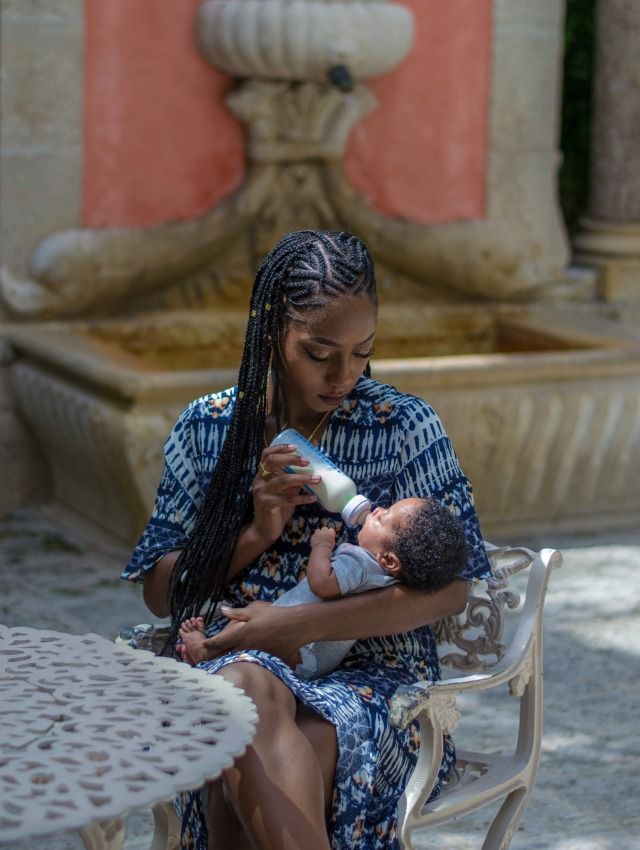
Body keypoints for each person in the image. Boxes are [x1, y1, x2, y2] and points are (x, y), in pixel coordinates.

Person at [121, 229, 491, 850]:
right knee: (243, 693)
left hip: (375, 679)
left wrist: (289, 628)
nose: (343, 375)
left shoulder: (402, 426)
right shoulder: (208, 431)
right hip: (230, 659)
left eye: (362, 352)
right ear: (272, 334)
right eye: (320, 353)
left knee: (239, 765)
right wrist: (253, 532)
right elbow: (161, 594)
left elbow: (450, 591)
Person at [178, 496, 468, 678]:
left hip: (303, 650)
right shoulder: (386, 578)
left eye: (384, 517)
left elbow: (322, 583)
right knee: (257, 610)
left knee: (249, 623)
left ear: (389, 559)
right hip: (314, 655)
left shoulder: (359, 563)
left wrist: (322, 546)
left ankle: (207, 651)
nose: (377, 509)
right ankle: (213, 651)